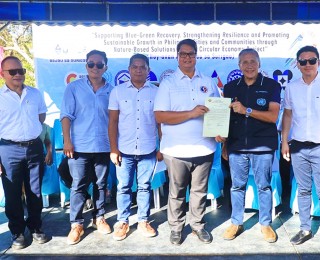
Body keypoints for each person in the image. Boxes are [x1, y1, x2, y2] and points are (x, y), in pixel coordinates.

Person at [154, 39, 220, 245]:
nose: (187, 57)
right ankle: (176, 227)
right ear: (177, 56)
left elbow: (218, 111)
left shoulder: (208, 82)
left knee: (199, 191)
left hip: (204, 146)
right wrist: (191, 113)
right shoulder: (168, 82)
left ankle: (198, 225)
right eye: (183, 54)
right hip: (175, 149)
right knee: (177, 192)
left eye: (191, 54)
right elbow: (160, 116)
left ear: (196, 55)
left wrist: (219, 131)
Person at [281, 45, 320, 255]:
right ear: (297, 64)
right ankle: (305, 229)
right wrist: (284, 141)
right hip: (298, 147)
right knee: (303, 190)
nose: (308, 64)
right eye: (303, 61)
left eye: (312, 60)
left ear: (318, 62)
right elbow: (287, 116)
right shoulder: (291, 87)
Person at [216, 48, 280, 243]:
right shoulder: (230, 87)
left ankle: (265, 224)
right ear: (239, 66)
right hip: (236, 146)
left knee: (264, 186)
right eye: (245, 62)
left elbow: (273, 116)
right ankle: (236, 222)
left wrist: (246, 110)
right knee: (236, 187)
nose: (249, 65)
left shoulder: (271, 85)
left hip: (262, 146)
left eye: (253, 61)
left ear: (259, 64)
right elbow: (225, 118)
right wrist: (224, 142)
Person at [60, 50, 114, 245]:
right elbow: (66, 115)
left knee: (100, 184)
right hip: (79, 146)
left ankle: (99, 217)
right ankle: (76, 224)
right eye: (91, 64)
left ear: (105, 67)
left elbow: (114, 119)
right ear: (86, 66)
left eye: (99, 65)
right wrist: (67, 140)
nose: (95, 68)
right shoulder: (74, 88)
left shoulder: (111, 90)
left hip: (103, 145)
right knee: (79, 185)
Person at [108, 53, 162, 241]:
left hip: (148, 150)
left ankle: (142, 221)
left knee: (144, 186)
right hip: (124, 150)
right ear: (129, 69)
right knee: (123, 187)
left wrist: (161, 146)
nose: (139, 70)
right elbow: (113, 122)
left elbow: (159, 123)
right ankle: (122, 222)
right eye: (135, 67)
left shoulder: (156, 92)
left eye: (143, 67)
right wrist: (113, 149)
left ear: (148, 70)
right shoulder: (117, 91)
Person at [0, 56, 48, 249]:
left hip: (34, 147)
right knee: (12, 193)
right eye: (13, 71)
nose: (18, 75)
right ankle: (17, 232)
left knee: (35, 191)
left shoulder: (35, 94)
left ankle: (36, 227)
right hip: (7, 149)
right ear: (2, 74)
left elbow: (41, 116)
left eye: (21, 71)